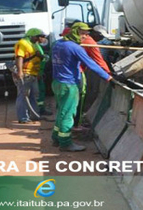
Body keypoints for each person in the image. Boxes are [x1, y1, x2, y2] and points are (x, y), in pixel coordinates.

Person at [51, 22, 113, 152]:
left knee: (61, 111)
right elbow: (92, 64)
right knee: (68, 113)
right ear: (74, 33)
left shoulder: (57, 44)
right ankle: (65, 143)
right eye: (83, 34)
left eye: (86, 34)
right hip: (69, 85)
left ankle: (56, 138)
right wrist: (108, 77)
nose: (85, 37)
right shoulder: (75, 48)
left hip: (57, 83)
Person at [73, 24, 111, 131]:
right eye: (83, 33)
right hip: (77, 73)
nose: (102, 38)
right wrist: (108, 75)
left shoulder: (66, 43)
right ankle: (75, 124)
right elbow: (97, 61)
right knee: (81, 97)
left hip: (65, 76)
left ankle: (68, 126)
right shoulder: (89, 42)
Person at [13, 28, 46, 124]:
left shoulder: (34, 45)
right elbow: (19, 58)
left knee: (34, 95)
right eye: (41, 36)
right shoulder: (22, 43)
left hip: (33, 74)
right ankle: (23, 118)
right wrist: (20, 72)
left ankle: (34, 115)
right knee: (23, 96)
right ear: (34, 36)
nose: (43, 39)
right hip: (25, 74)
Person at [33, 35, 53, 116]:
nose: (44, 39)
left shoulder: (37, 45)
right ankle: (39, 109)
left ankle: (40, 108)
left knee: (41, 91)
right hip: (37, 72)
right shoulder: (35, 46)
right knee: (39, 92)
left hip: (40, 71)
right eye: (42, 37)